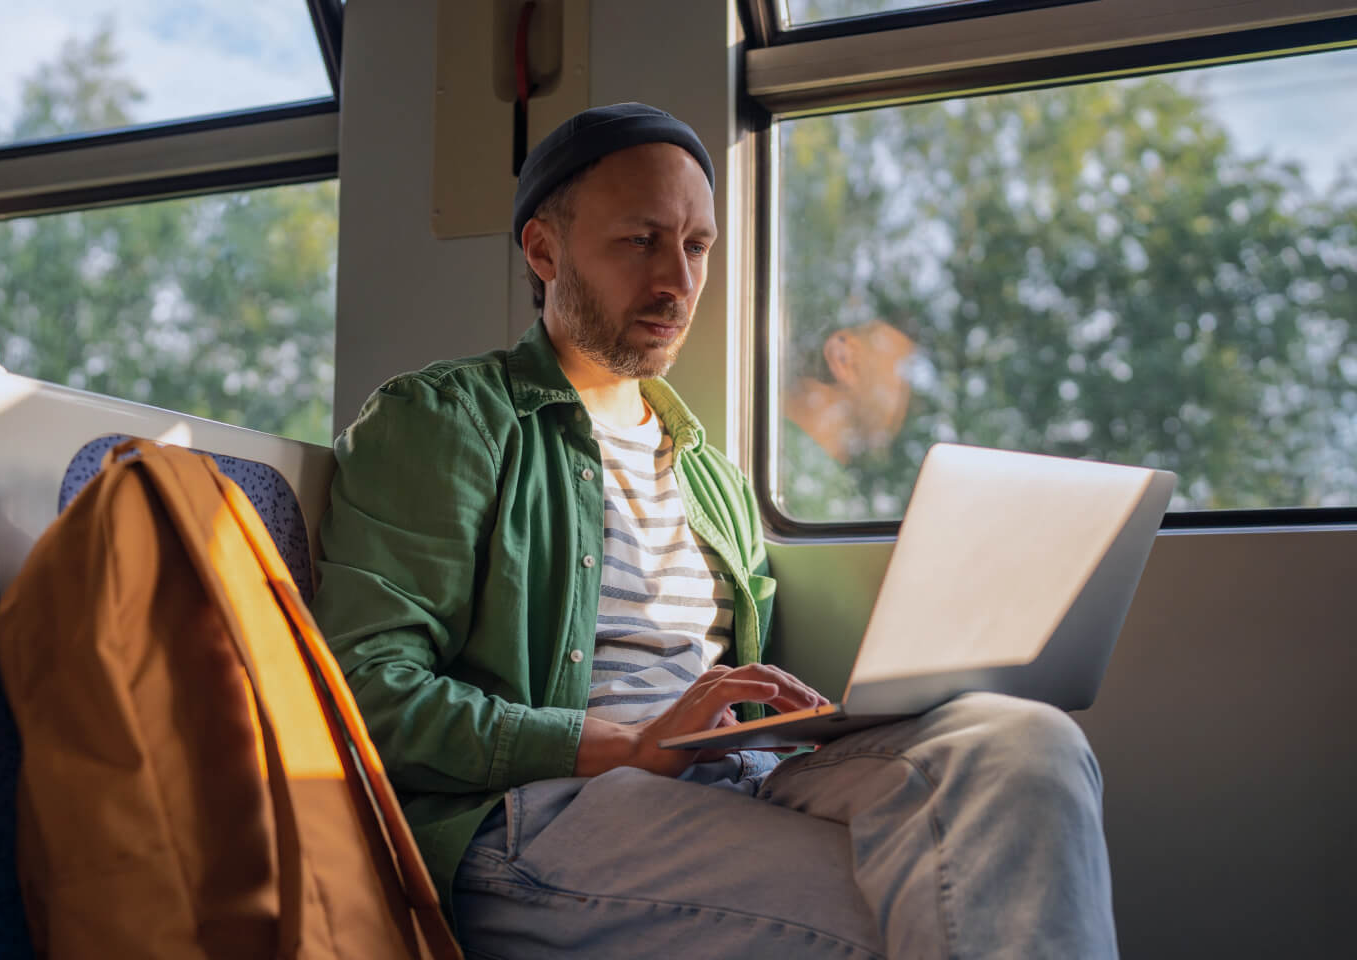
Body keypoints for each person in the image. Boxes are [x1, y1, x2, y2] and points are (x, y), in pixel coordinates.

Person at [312, 102, 1118, 959]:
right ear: (544, 250)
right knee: (916, 909)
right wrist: (622, 744)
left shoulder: (711, 475)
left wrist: (790, 718)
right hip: (545, 813)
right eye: (640, 241)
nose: (677, 281)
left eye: (696, 247)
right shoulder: (448, 420)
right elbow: (364, 690)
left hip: (741, 782)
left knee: (1028, 744)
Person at [780, 317, 916, 521]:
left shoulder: (824, 482)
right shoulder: (787, 469)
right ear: (843, 358)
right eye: (902, 369)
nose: (909, 393)